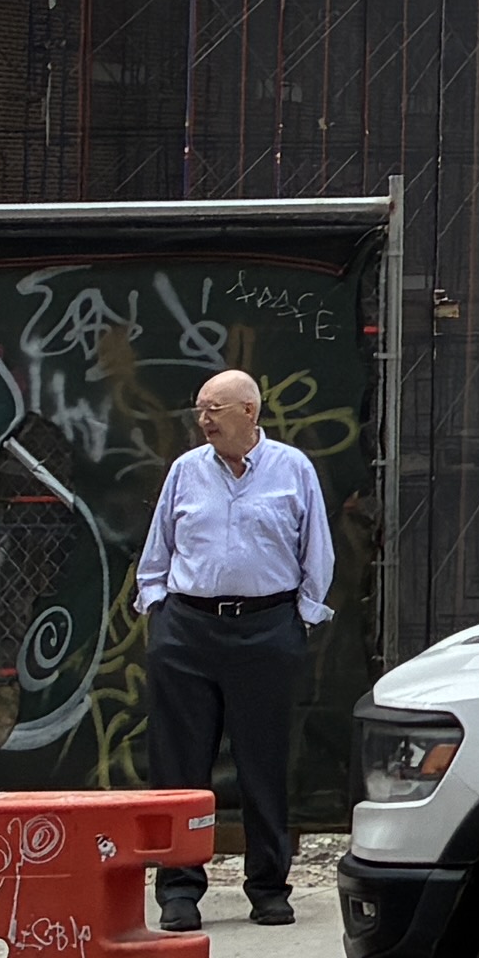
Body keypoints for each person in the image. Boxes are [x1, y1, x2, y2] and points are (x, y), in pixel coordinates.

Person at [135, 369, 332, 928]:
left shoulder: (293, 469)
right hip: (188, 630)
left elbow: (315, 548)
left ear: (249, 411)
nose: (203, 419)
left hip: (266, 629)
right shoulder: (184, 471)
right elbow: (158, 552)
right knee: (179, 767)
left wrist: (300, 620)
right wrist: (160, 610)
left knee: (263, 763)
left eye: (214, 408)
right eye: (199, 409)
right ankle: (179, 889)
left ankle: (269, 886)